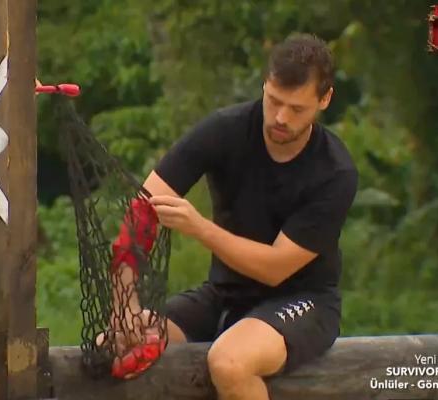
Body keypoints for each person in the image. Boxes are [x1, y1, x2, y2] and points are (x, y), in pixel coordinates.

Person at [113, 33, 358, 400]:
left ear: (325, 99)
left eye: (296, 109)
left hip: (303, 300)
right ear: (265, 84)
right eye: (274, 101)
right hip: (225, 293)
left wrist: (200, 228)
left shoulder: (335, 172)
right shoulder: (224, 129)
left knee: (230, 361)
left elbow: (275, 268)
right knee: (116, 344)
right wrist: (125, 304)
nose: (280, 117)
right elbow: (142, 210)